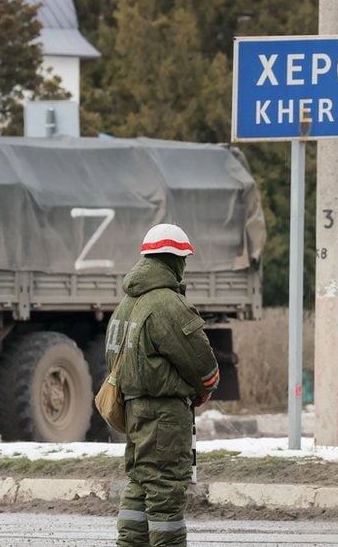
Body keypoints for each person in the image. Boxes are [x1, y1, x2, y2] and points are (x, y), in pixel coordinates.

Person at [106, 223, 220, 547]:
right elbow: (203, 364)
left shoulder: (125, 305)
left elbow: (112, 358)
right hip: (165, 415)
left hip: (134, 409)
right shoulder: (168, 304)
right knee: (165, 486)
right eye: (183, 260)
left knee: (140, 481)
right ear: (174, 261)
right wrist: (204, 387)